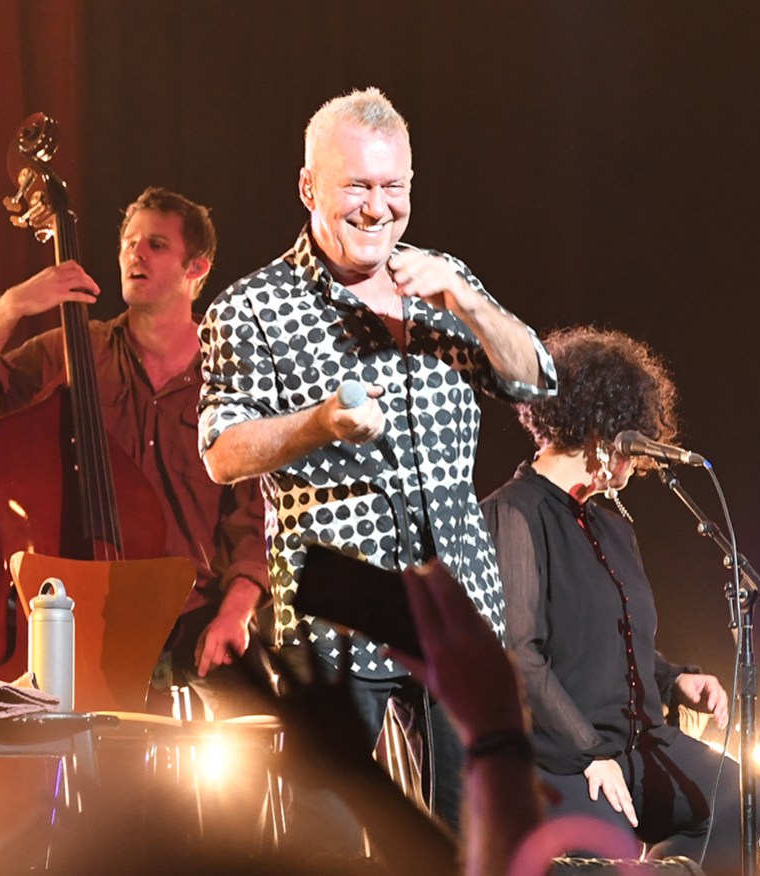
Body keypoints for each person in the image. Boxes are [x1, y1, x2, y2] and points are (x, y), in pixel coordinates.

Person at [197, 87, 556, 828]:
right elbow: (221, 453)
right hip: (337, 618)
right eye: (356, 186)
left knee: (474, 841)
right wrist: (319, 423)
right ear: (308, 188)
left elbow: (535, 378)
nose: (376, 207)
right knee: (332, 843)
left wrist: (468, 299)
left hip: (458, 612)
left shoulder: (440, 281)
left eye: (393, 187)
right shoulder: (251, 307)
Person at [0, 186, 269, 718]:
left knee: (276, 737)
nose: (135, 253)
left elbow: (257, 517)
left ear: (196, 269)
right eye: (129, 243)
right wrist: (13, 304)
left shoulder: (231, 382)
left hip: (189, 617)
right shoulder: (73, 351)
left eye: (155, 244)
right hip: (67, 613)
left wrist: (236, 611)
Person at [481, 325, 742, 875]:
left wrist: (674, 679)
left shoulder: (611, 523)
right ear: (600, 431)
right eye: (632, 443)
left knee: (743, 799)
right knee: (610, 852)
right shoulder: (517, 512)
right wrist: (589, 751)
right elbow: (519, 655)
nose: (637, 464)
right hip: (564, 753)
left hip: (641, 743)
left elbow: (615, 639)